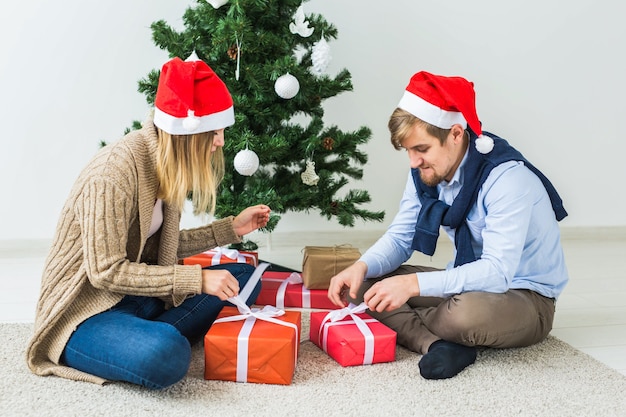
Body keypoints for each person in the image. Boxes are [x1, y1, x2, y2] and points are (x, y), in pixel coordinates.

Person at [26, 55, 271, 389]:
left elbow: (160, 245)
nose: (221, 142)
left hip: (134, 296)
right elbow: (106, 272)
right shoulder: (113, 172)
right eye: (215, 132)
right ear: (188, 132)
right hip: (85, 312)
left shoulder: (165, 165)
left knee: (244, 276)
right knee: (166, 354)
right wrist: (194, 281)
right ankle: (154, 336)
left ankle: (150, 331)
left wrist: (232, 229)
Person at [328, 71, 569, 380]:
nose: (413, 162)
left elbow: (496, 273)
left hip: (524, 296)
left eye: (422, 149)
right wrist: (361, 266)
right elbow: (401, 237)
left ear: (456, 133)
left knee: (464, 314)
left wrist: (413, 286)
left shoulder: (507, 179)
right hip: (463, 284)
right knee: (365, 286)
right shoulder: (427, 173)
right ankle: (440, 345)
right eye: (408, 151)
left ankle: (434, 328)